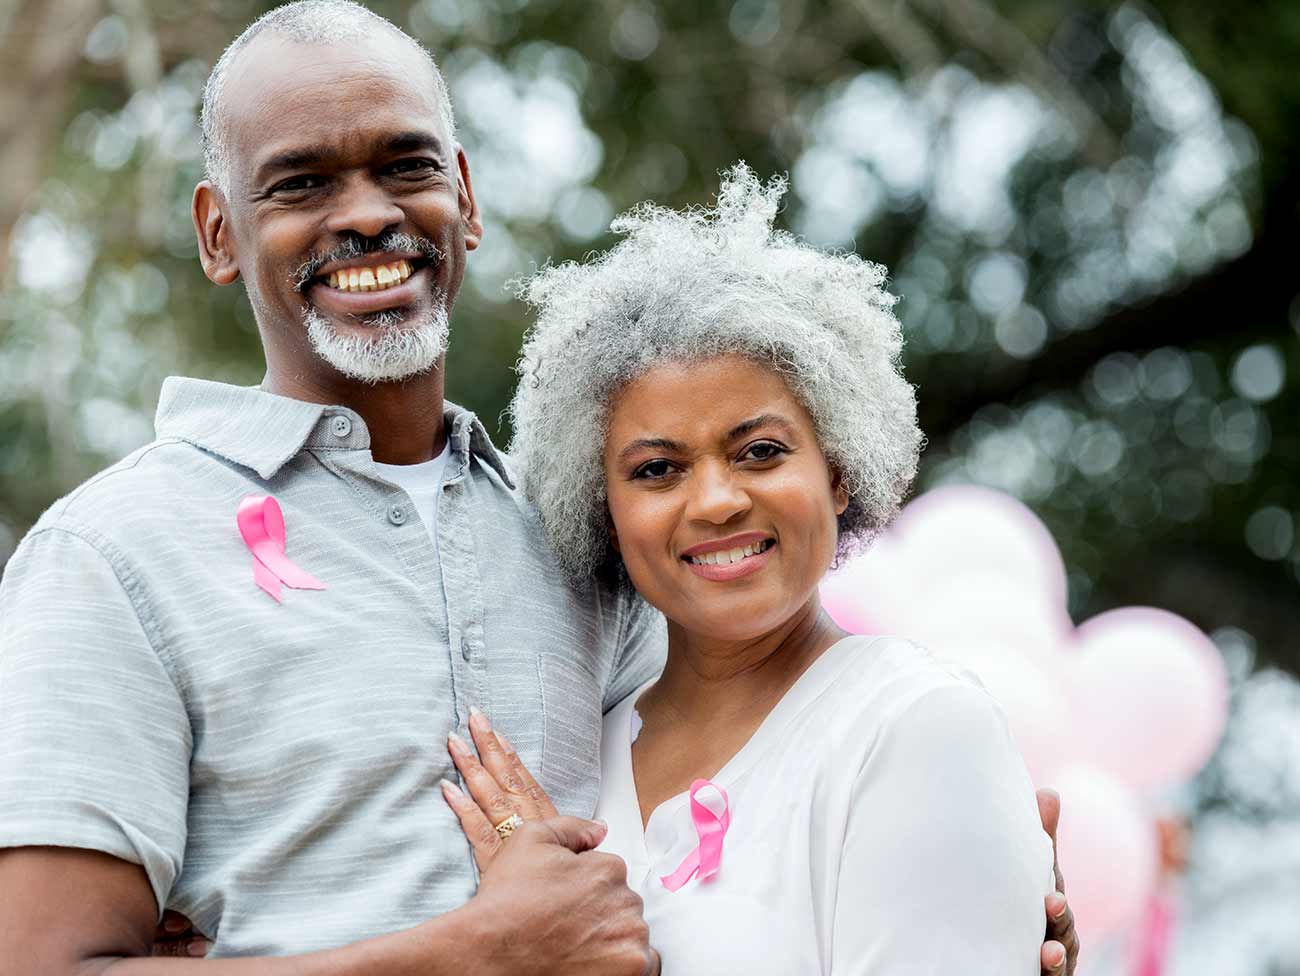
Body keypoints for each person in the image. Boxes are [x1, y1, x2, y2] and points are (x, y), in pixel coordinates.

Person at [0, 2, 1076, 974]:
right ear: (218, 233)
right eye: (301, 183)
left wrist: (952, 866)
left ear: (464, 196)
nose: (367, 214)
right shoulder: (112, 554)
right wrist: (474, 954)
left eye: (405, 166)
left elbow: (747, 817)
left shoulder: (579, 542)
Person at [439, 165, 1075, 973]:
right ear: (604, 510)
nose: (715, 501)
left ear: (838, 470)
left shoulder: (915, 727)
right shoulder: (579, 752)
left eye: (761, 452)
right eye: (657, 470)